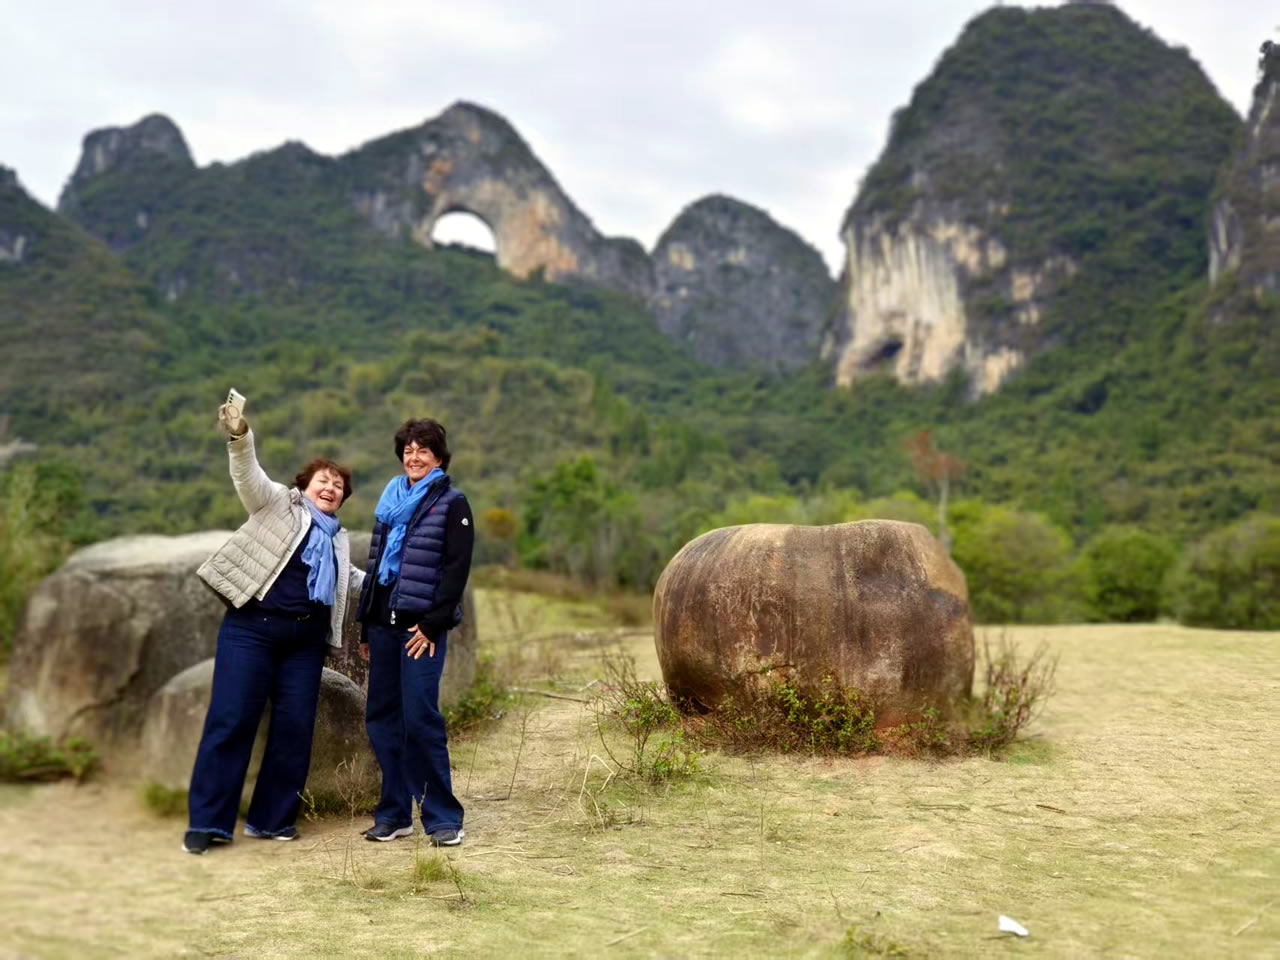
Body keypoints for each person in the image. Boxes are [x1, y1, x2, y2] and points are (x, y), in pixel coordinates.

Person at [182, 396, 365, 855]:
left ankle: (271, 820)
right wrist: (241, 436)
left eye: (339, 485)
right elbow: (248, 473)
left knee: (295, 727)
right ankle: (209, 824)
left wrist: (405, 581)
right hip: (252, 628)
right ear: (304, 485)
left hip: (305, 642)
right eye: (324, 479)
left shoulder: (338, 541)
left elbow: (355, 583)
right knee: (231, 720)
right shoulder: (276, 504)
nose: (332, 487)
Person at [356, 417, 474, 846]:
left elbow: (455, 570)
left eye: (423, 449)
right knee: (383, 719)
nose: (414, 455)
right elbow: (376, 567)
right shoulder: (390, 502)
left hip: (420, 628)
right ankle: (394, 813)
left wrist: (431, 624)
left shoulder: (452, 503)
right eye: (408, 449)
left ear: (438, 458)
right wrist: (366, 627)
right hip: (383, 625)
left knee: (420, 719)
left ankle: (443, 818)